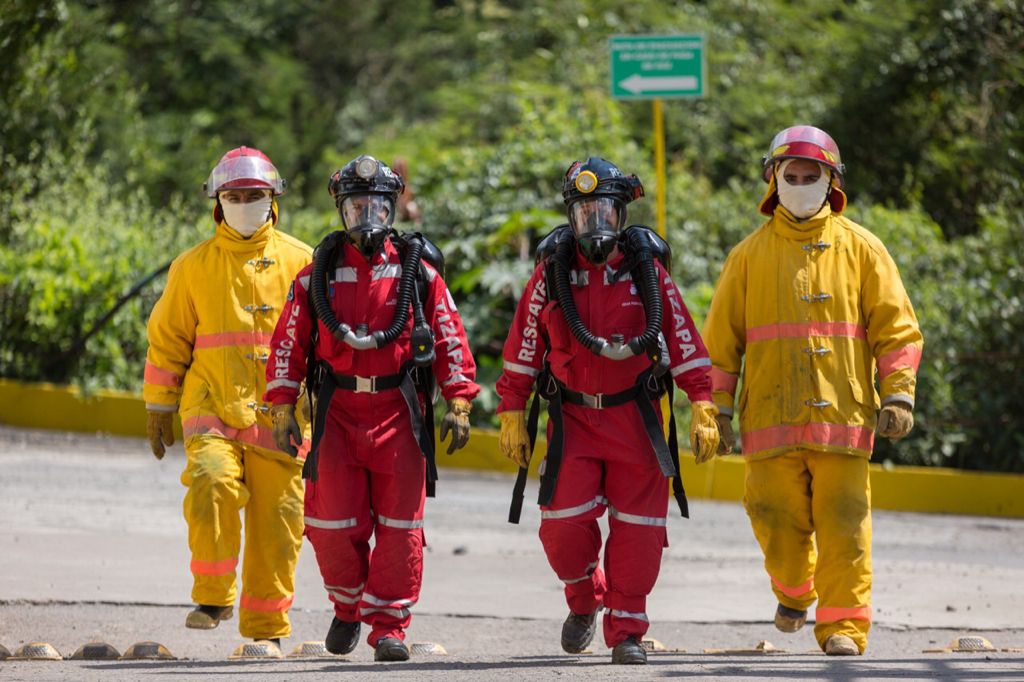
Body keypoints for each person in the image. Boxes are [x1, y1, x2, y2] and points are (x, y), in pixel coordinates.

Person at [702, 125, 924, 656]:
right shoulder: (747, 257)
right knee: (773, 518)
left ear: (832, 181)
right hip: (769, 421)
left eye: (811, 176)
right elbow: (719, 344)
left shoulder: (864, 250)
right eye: (792, 176)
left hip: (844, 420)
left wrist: (898, 393)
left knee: (846, 525)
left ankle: (844, 628)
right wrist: (716, 412)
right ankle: (794, 591)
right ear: (773, 181)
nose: (801, 184)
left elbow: (898, 328)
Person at [496, 157, 721, 665]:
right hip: (573, 421)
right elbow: (524, 346)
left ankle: (627, 632)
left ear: (621, 215)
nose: (595, 223)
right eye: (584, 212)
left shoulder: (648, 273)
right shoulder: (551, 275)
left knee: (639, 531)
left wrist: (702, 401)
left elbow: (684, 339)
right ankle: (583, 598)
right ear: (571, 216)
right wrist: (511, 409)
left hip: (635, 421)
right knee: (561, 526)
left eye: (605, 211)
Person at [264, 155, 479, 662]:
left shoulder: (419, 274)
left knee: (401, 526)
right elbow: (289, 341)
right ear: (341, 209)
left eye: (377, 205)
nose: (367, 215)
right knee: (330, 521)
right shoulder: (315, 275)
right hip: (337, 411)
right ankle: (346, 607)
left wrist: (461, 400)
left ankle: (389, 628)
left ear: (392, 209)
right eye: (356, 205)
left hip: (398, 414)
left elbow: (449, 336)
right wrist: (280, 404)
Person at [143, 146, 312, 647]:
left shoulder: (303, 263)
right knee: (210, 482)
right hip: (211, 407)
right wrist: (159, 405)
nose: (244, 203)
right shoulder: (193, 266)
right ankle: (213, 595)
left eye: (254, 195)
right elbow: (168, 338)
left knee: (279, 527)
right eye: (234, 196)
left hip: (281, 420)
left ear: (273, 200)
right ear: (217, 202)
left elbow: (322, 345)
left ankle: (265, 631)